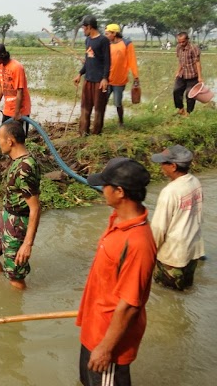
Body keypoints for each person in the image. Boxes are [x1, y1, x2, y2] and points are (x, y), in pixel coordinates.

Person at [77, 158, 156, 386]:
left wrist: (105, 348)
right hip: (95, 329)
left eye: (105, 186)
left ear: (119, 191)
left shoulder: (138, 243)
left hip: (108, 340)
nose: (102, 190)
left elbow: (130, 304)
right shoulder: (118, 221)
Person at [0, 121, 41, 290]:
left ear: (10, 141)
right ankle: (5, 280)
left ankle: (17, 293)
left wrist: (27, 244)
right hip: (6, 217)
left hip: (17, 224)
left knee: (16, 276)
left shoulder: (25, 167)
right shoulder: (17, 160)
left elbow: (35, 207)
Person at [150, 145, 204, 291]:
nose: (161, 166)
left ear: (173, 166)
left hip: (172, 255)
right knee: (185, 290)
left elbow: (159, 228)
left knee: (166, 294)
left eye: (163, 163)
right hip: (192, 250)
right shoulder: (195, 182)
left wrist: (149, 253)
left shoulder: (170, 192)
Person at [73, 15, 111, 136]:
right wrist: (80, 73)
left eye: (84, 28)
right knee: (85, 107)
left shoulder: (103, 41)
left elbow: (107, 61)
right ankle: (83, 132)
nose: (83, 30)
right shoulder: (88, 40)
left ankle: (96, 133)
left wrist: (105, 78)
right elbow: (88, 61)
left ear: (89, 27)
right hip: (88, 79)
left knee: (99, 108)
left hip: (99, 80)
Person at [0, 43, 31, 133]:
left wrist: (17, 112)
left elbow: (20, 91)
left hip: (20, 109)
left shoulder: (17, 67)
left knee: (19, 137)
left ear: (2, 56)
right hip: (8, 108)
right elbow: (0, 85)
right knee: (5, 134)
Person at [104, 24, 139, 126]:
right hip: (106, 79)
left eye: (107, 34)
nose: (105, 36)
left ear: (114, 33)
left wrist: (136, 77)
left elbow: (132, 61)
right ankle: (99, 122)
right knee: (102, 102)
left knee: (117, 103)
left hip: (119, 80)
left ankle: (121, 122)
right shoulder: (106, 44)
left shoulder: (127, 43)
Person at [173, 32, 203, 116]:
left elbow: (197, 63)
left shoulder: (193, 48)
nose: (181, 44)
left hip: (192, 75)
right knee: (176, 91)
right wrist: (178, 72)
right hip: (182, 74)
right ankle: (181, 109)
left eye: (183, 42)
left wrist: (200, 78)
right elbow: (181, 61)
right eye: (179, 42)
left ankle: (189, 113)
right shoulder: (178, 47)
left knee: (190, 95)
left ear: (187, 40)